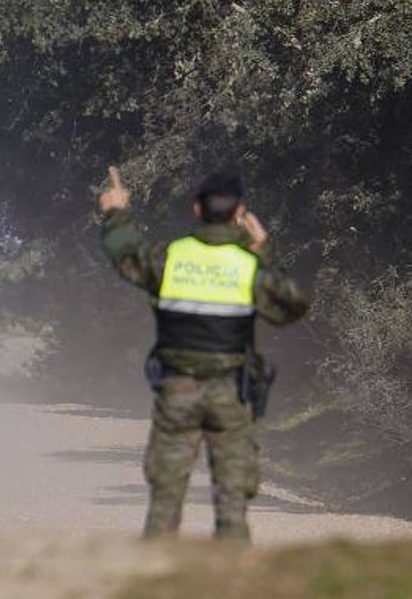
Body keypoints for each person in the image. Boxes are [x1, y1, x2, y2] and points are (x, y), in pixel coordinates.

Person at [98, 166, 309, 541]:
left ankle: (157, 581)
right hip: (231, 395)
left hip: (176, 391)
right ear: (239, 213)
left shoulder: (172, 258)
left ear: (197, 209)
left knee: (164, 499)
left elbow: (126, 255)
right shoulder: (249, 267)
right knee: (232, 503)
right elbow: (292, 305)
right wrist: (263, 249)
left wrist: (116, 210)